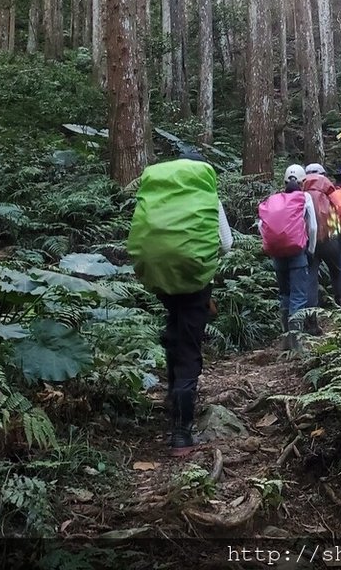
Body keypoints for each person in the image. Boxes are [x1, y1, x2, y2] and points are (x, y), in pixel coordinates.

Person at [127, 156, 233, 458]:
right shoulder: (206, 196)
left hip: (161, 276)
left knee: (175, 328)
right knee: (188, 345)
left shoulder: (158, 195)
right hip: (194, 280)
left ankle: (172, 399)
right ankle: (181, 432)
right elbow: (226, 244)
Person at [258, 164, 317, 350]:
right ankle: (296, 343)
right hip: (297, 253)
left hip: (277, 253)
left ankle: (285, 341)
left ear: (284, 181)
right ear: (302, 182)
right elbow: (313, 227)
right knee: (299, 296)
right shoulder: (304, 197)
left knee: (284, 294)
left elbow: (261, 225)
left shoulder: (274, 199)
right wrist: (312, 249)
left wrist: (271, 243)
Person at [304, 163, 341, 329]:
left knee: (311, 278)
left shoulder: (301, 191)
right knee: (337, 271)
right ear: (323, 174)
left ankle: (311, 320)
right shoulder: (329, 189)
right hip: (331, 238)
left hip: (309, 241)